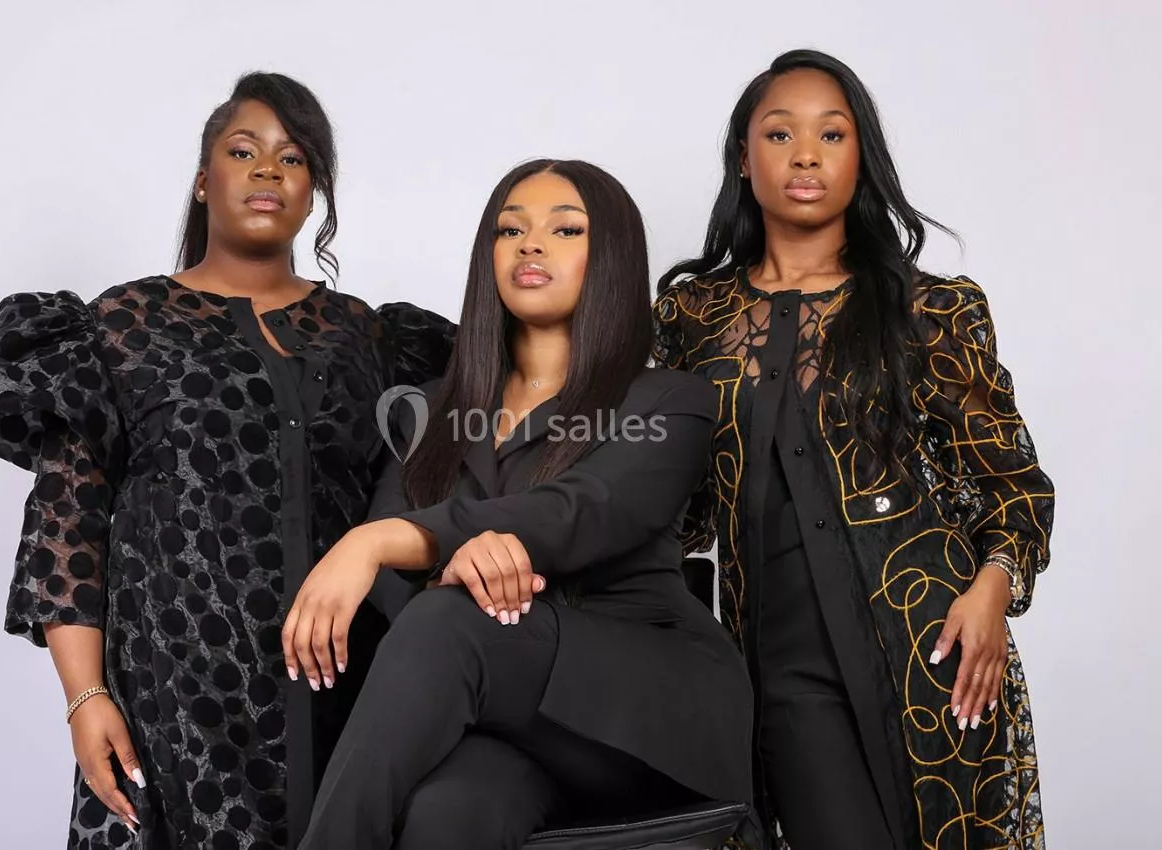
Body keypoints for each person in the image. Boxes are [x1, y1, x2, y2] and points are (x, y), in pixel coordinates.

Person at [0, 72, 455, 849]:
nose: (267, 170)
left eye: (293, 158)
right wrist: (86, 698)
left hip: (347, 693)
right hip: (175, 705)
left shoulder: (372, 337)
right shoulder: (122, 325)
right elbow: (66, 525)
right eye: (243, 151)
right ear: (203, 180)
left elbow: (460, 462)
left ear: (314, 193)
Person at [279, 159, 756, 850]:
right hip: (509, 721)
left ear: (613, 256)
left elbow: (583, 511)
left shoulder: (670, 401)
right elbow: (395, 586)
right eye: (510, 230)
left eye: (566, 229)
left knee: (449, 619)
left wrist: (377, 543)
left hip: (650, 711)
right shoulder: (426, 412)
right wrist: (454, 567)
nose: (531, 244)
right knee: (448, 811)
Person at [653, 49, 1055, 850]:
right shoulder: (691, 316)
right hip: (780, 660)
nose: (805, 155)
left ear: (860, 157)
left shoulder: (931, 309)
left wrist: (990, 596)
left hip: (934, 650)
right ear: (744, 158)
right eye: (780, 134)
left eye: (831, 135)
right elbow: (668, 504)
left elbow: (1013, 486)